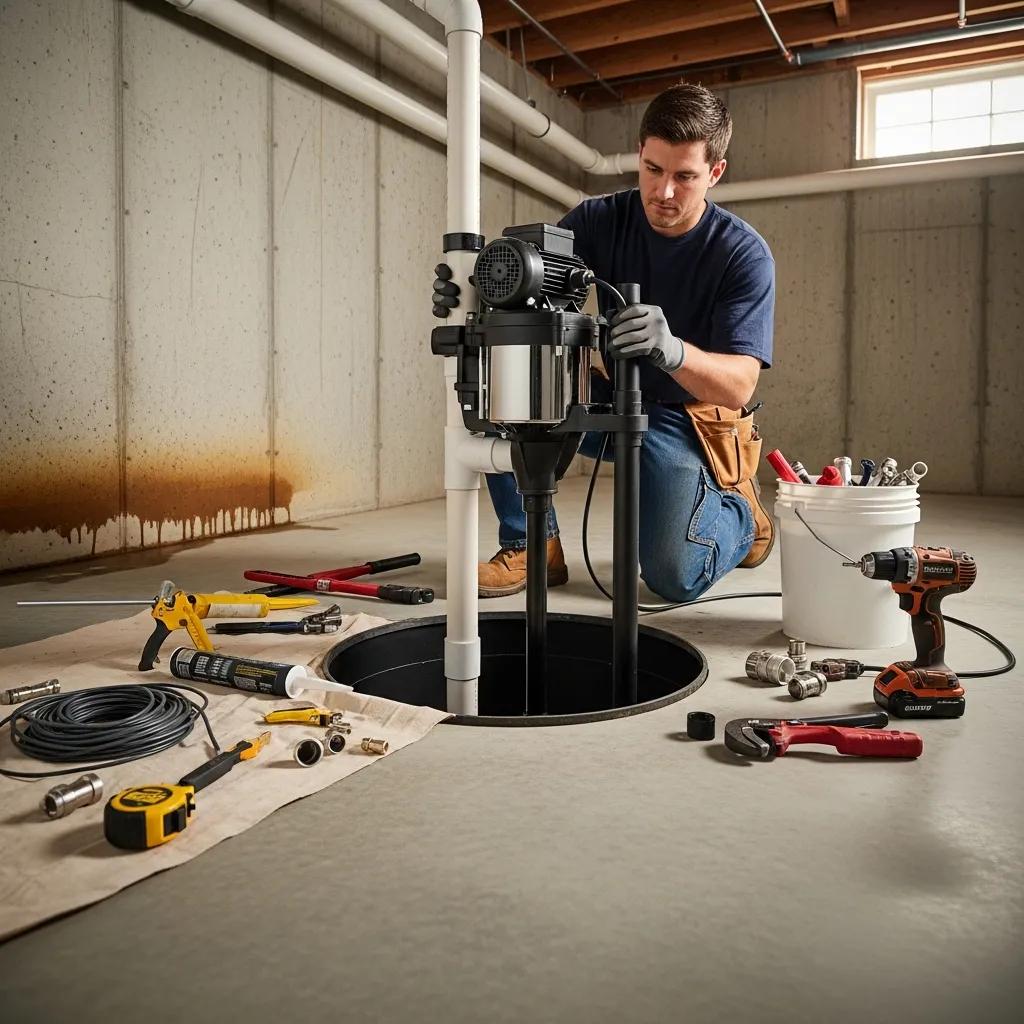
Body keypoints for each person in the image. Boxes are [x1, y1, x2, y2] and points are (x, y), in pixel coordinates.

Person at [433, 83, 776, 602]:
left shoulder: (741, 254)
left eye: (684, 177)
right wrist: (471, 286)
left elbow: (739, 385)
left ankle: (742, 517)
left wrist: (674, 350)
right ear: (640, 154)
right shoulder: (597, 220)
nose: (663, 192)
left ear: (715, 172)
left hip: (684, 417)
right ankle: (533, 544)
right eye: (653, 170)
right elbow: (530, 288)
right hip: (604, 394)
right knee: (506, 392)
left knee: (673, 578)